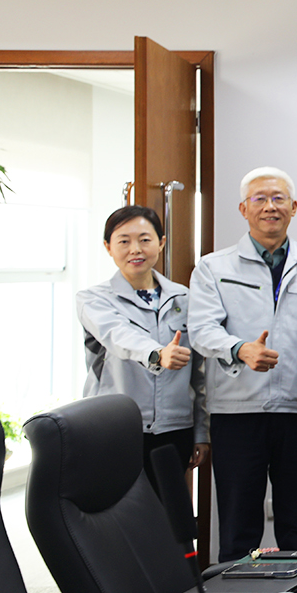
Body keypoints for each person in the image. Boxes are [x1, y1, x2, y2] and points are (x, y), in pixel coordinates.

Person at [189, 167, 297, 561]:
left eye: (278, 198)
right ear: (243, 209)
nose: (270, 206)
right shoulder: (213, 267)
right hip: (238, 411)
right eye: (260, 199)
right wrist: (240, 349)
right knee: (239, 526)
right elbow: (201, 330)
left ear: (293, 207)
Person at [77, 205, 207, 488]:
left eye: (144, 239)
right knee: (121, 510)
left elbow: (199, 374)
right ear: (108, 247)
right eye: (124, 241)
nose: (135, 249)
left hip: (175, 429)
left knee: (170, 510)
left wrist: (201, 432)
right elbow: (118, 335)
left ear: (161, 243)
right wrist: (157, 354)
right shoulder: (93, 300)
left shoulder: (185, 298)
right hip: (116, 429)